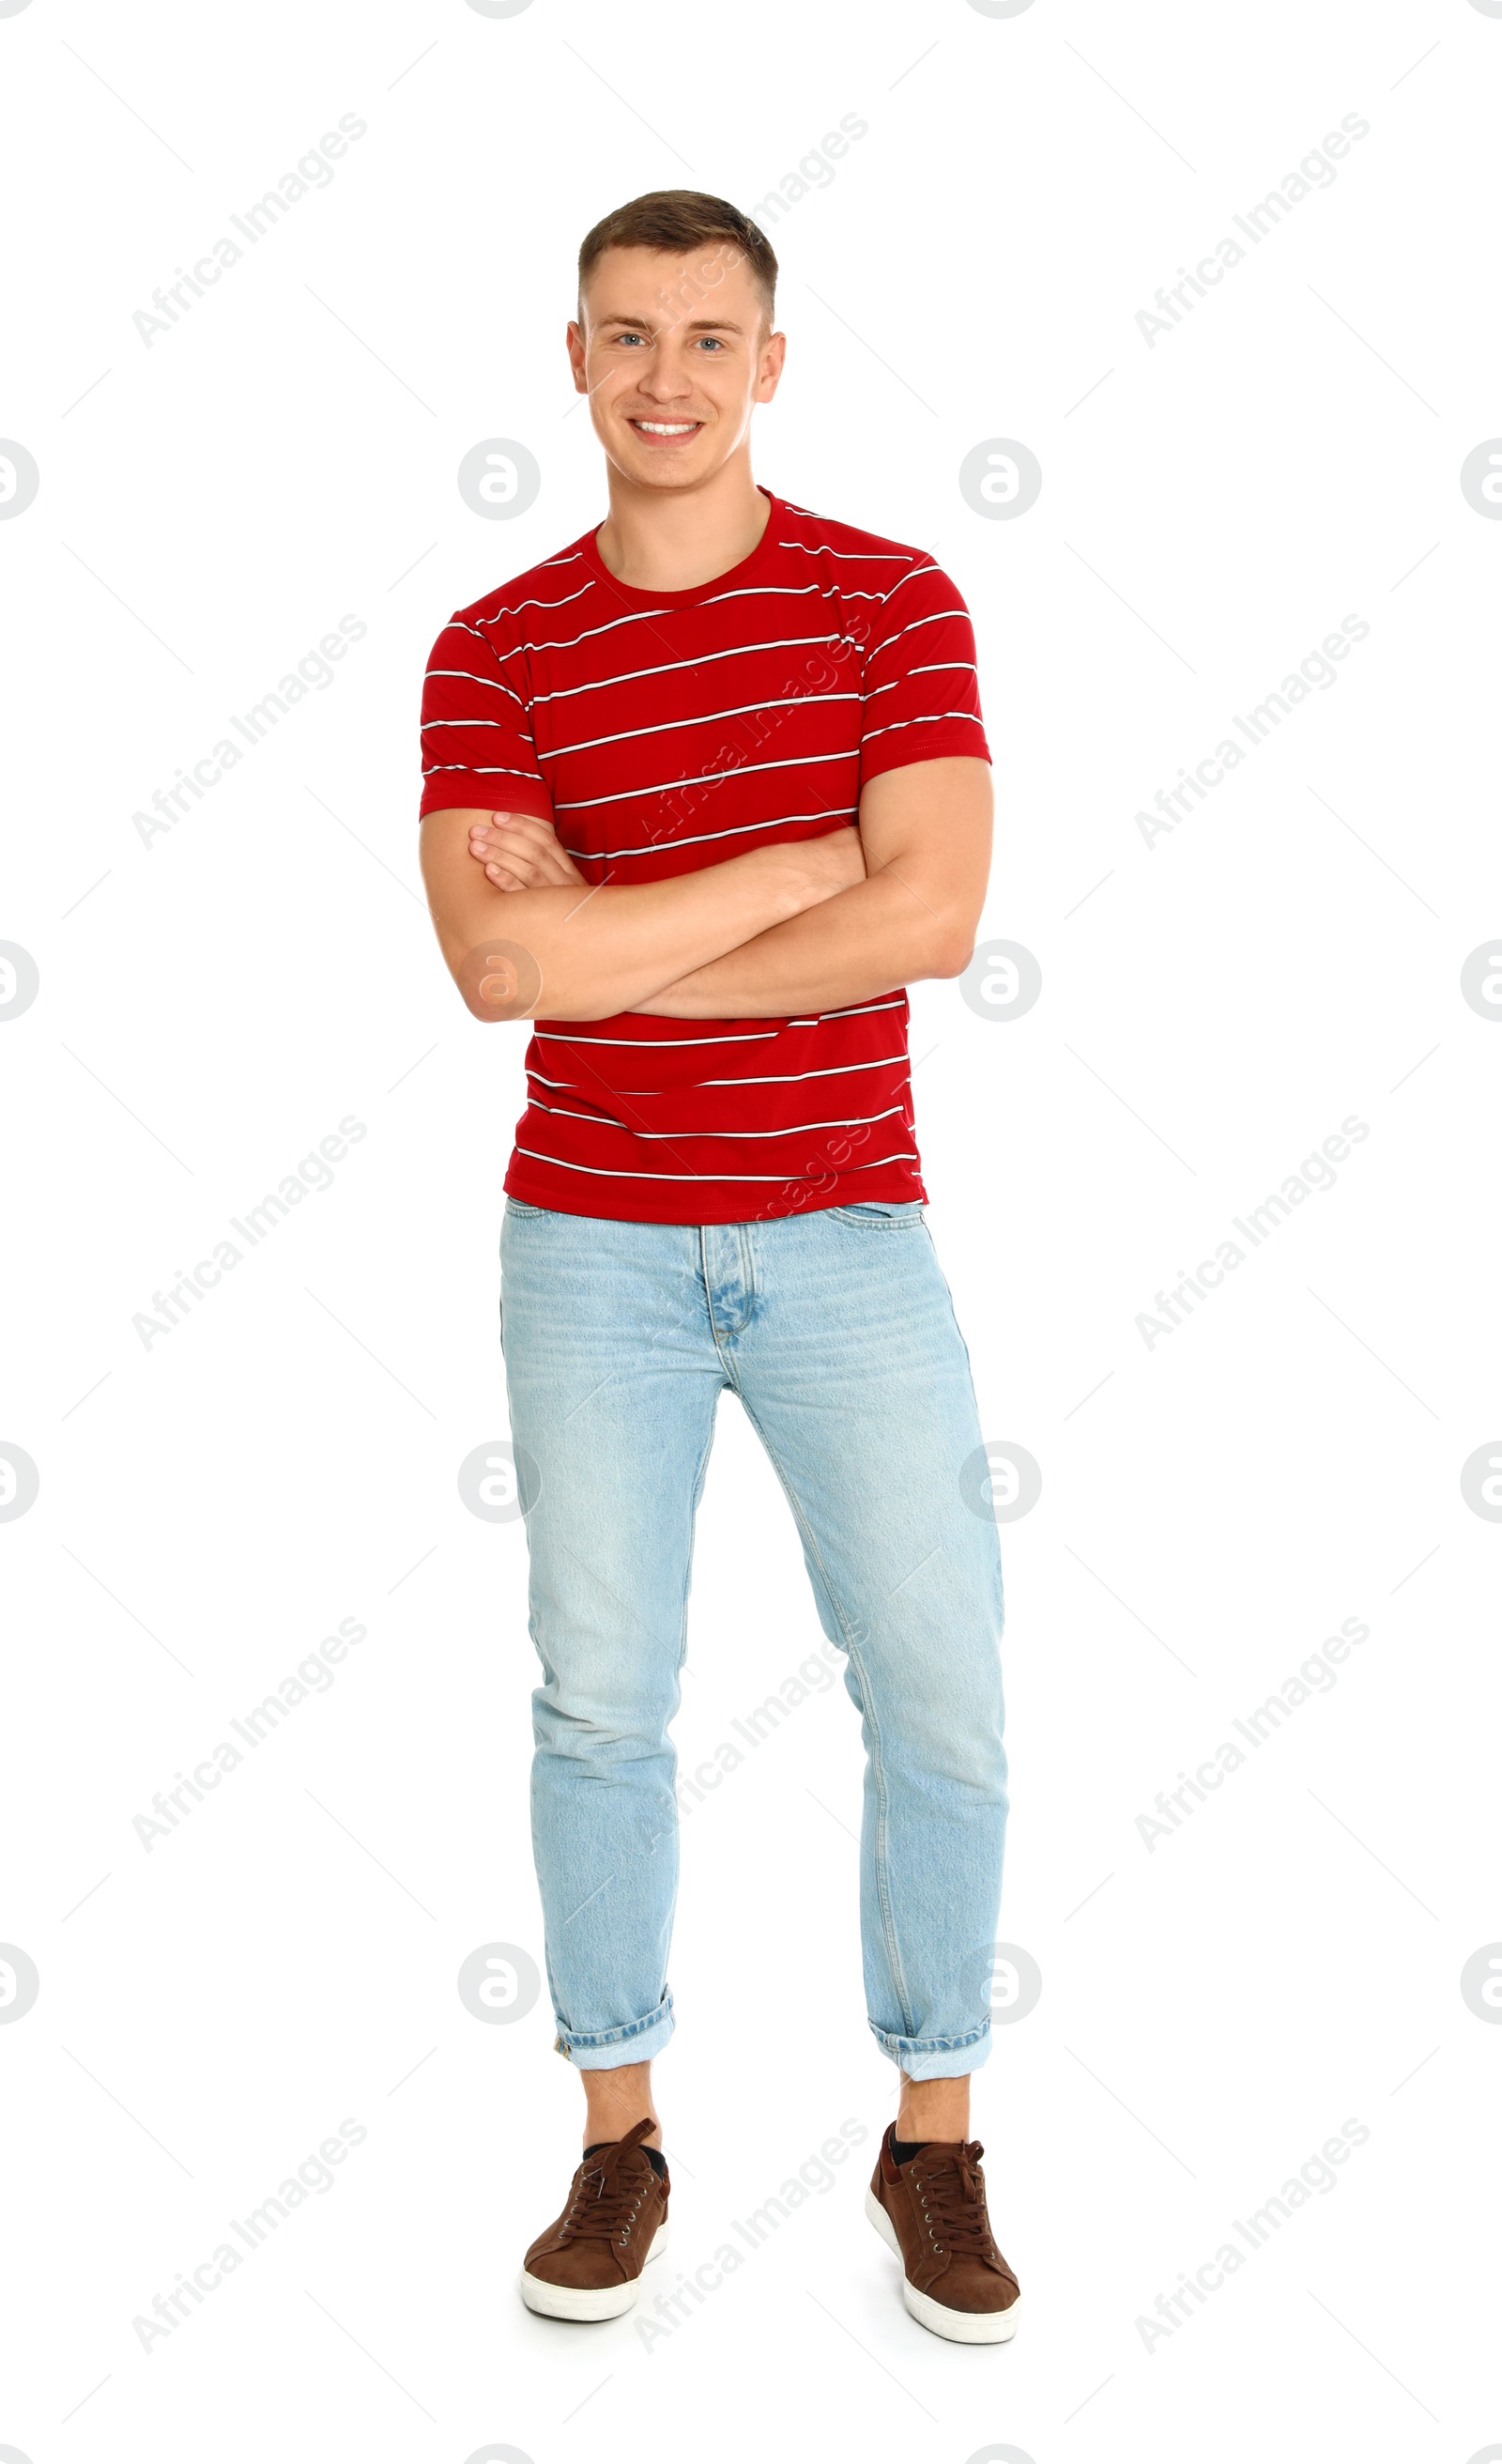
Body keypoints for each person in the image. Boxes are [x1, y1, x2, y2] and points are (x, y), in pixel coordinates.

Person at [418, 189, 1019, 2344]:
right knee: (603, 1701)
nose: (662, 377)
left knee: (939, 1689)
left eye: (704, 337)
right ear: (569, 361)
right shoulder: (493, 647)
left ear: (769, 363)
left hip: (848, 1230)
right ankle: (615, 2135)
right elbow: (494, 963)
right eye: (623, 336)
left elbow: (929, 918)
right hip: (589, 1244)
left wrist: (615, 929)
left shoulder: (888, 600)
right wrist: (786, 866)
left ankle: (930, 2134)